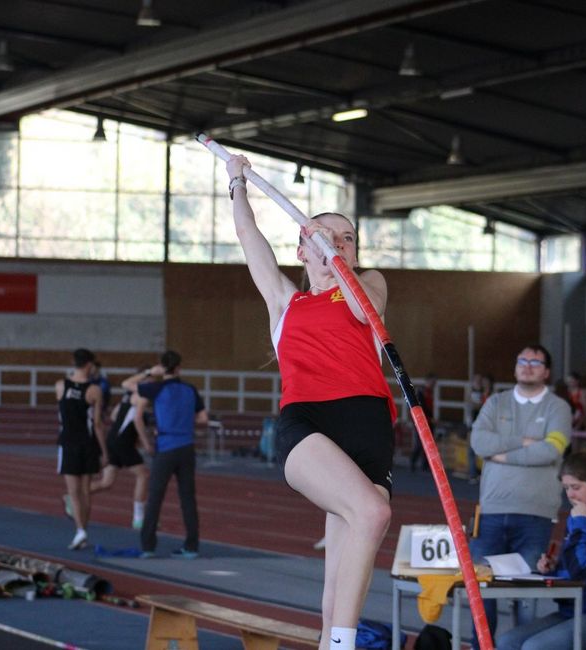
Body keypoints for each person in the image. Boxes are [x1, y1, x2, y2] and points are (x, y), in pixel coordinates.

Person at [225, 154, 396, 650]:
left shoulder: (369, 283)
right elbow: (249, 237)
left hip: (369, 425)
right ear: (301, 249)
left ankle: (330, 640)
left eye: (347, 239)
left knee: (341, 566)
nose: (337, 243)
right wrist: (237, 183)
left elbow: (365, 312)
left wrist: (338, 261)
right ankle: (343, 645)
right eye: (324, 235)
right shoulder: (286, 302)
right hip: (309, 423)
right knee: (373, 514)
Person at [469, 344, 573, 649]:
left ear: (547, 371)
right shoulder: (495, 402)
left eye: (535, 362)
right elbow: (479, 442)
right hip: (491, 513)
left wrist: (501, 453)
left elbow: (551, 451)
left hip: (535, 516)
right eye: (522, 360)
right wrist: (524, 441)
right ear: (515, 366)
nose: (527, 366)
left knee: (526, 598)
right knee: (481, 593)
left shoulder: (558, 408)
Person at [496, 450, 586, 650]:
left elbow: (581, 568)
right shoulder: (579, 515)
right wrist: (554, 567)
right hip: (572, 610)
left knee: (535, 647)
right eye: (566, 488)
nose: (570, 495)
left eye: (576, 487)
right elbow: (573, 564)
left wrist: (580, 523)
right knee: (507, 641)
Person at [122, 351, 208, 559]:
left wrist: (150, 373)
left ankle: (148, 546)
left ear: (162, 366)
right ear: (179, 368)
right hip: (187, 447)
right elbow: (203, 419)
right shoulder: (190, 389)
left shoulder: (157, 388)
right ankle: (191, 546)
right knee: (188, 498)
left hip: (166, 447)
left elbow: (127, 384)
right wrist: (184, 421)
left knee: (155, 498)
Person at [55, 348, 108, 550]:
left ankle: (80, 531)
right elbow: (98, 424)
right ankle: (82, 532)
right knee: (85, 491)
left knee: (73, 492)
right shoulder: (95, 390)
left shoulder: (60, 386)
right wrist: (104, 451)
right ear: (89, 365)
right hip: (88, 443)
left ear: (74, 362)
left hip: (68, 442)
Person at [89, 375, 154, 529]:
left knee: (106, 483)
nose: (152, 386)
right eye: (149, 382)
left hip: (113, 440)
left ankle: (74, 495)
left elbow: (113, 415)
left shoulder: (127, 397)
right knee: (143, 475)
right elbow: (137, 420)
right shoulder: (141, 396)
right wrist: (146, 443)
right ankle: (138, 518)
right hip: (122, 443)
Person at [465, 373, 493, 484]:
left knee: (485, 451)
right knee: (471, 451)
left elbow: (483, 408)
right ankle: (473, 474)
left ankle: (484, 474)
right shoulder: (474, 393)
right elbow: (471, 407)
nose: (480, 383)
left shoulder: (489, 396)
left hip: (484, 426)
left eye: (481, 381)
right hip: (474, 425)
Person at [410, 374, 436, 473]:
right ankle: (413, 462)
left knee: (429, 443)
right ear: (428, 381)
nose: (434, 384)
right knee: (419, 443)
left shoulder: (430, 392)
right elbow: (422, 407)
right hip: (421, 421)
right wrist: (429, 417)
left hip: (429, 420)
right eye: (433, 382)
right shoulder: (421, 392)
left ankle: (425, 465)